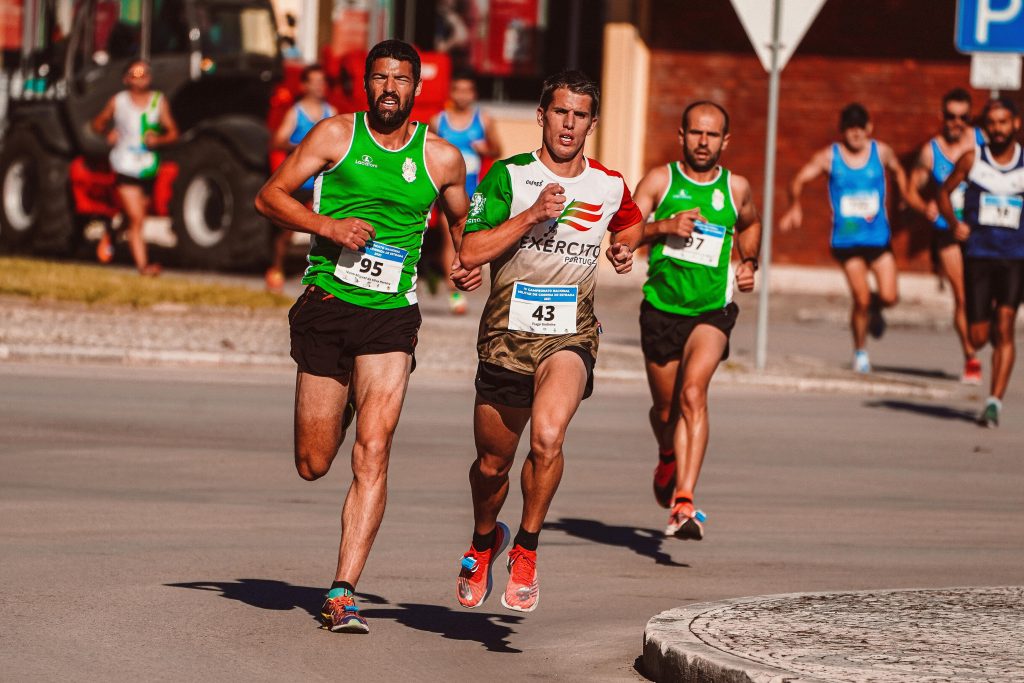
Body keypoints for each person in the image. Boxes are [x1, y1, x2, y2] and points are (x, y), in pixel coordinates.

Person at [254, 39, 479, 634]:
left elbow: (462, 219)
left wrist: (464, 258)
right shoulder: (333, 136)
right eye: (379, 77)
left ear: (416, 88)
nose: (389, 89)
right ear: (366, 84)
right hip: (328, 304)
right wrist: (327, 224)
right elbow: (269, 195)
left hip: (391, 316)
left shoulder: (442, 158)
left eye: (400, 79)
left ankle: (342, 591)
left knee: (374, 449)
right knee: (314, 461)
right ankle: (345, 393)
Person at [454, 70, 642, 613]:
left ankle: (528, 549)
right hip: (506, 336)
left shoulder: (608, 184)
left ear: (592, 123)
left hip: (570, 335)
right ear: (541, 115)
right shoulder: (507, 176)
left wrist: (622, 250)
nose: (569, 123)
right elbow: (471, 250)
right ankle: (484, 540)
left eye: (580, 115)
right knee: (493, 465)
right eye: (560, 112)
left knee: (549, 437)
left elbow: (627, 225)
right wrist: (532, 215)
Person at [631, 101, 761, 540]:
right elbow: (624, 230)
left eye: (712, 135)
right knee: (666, 410)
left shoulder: (736, 187)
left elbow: (750, 224)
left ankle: (684, 500)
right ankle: (668, 453)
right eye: (696, 133)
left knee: (693, 394)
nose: (703, 142)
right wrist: (663, 225)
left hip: (712, 311)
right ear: (681, 136)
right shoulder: (660, 180)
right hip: (662, 309)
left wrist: (749, 262)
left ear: (725, 140)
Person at [780, 103, 910, 373]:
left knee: (890, 296)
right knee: (860, 299)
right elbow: (798, 179)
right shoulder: (830, 157)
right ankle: (860, 351)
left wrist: (904, 198)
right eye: (850, 128)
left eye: (860, 127)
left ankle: (877, 308)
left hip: (878, 238)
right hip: (846, 241)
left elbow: (898, 170)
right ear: (842, 131)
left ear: (869, 128)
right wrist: (794, 205)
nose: (856, 133)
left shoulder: (881, 152)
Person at [938, 98, 1024, 428]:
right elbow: (943, 193)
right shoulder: (973, 159)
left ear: (1015, 123)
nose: (998, 129)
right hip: (978, 255)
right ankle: (978, 336)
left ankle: (994, 402)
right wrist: (953, 222)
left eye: (1004, 122)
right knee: (977, 337)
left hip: (1016, 257)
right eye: (992, 123)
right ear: (984, 127)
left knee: (1006, 326)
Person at [907, 88, 985, 383]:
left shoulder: (982, 143)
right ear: (942, 116)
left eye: (963, 117)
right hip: (946, 231)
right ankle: (971, 357)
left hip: (980, 232)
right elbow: (911, 189)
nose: (957, 122)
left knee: (984, 298)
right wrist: (923, 206)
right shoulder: (931, 151)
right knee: (962, 297)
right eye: (951, 116)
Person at [91, 59, 178, 276]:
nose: (141, 77)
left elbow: (174, 132)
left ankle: (111, 234)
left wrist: (158, 141)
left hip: (148, 166)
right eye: (135, 73)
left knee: (135, 217)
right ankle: (143, 267)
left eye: (145, 73)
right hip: (125, 165)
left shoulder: (159, 101)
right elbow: (97, 123)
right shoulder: (118, 102)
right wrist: (108, 133)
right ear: (126, 78)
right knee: (137, 219)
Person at [430, 71, 502, 313]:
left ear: (473, 94)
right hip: (447, 193)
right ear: (451, 93)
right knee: (449, 239)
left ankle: (473, 285)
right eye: (457, 89)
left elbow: (497, 150)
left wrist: (486, 148)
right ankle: (454, 296)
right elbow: (427, 154)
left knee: (471, 241)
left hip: (474, 192)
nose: (462, 95)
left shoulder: (484, 121)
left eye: (467, 90)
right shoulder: (438, 121)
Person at [265, 64, 335, 293]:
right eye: (314, 82)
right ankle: (276, 268)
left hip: (323, 184)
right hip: (300, 181)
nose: (318, 86)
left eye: (322, 82)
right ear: (304, 85)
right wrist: (305, 148)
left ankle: (325, 275)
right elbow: (277, 140)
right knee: (286, 231)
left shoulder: (331, 112)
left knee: (327, 230)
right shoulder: (296, 112)